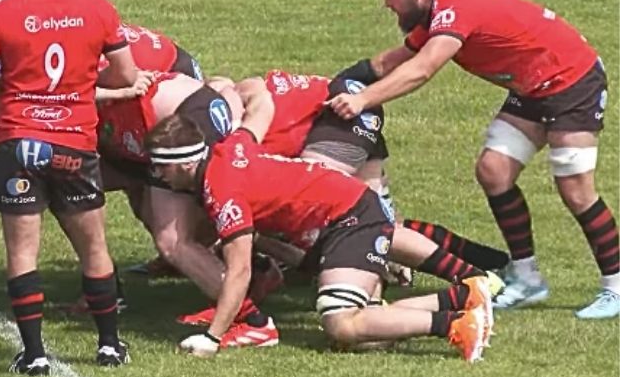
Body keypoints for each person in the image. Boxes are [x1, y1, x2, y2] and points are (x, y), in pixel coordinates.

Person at [327, 0, 618, 319]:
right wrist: (334, 84)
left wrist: (363, 100)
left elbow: (421, 69)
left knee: (576, 190)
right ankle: (526, 278)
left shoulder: (455, 10)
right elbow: (391, 62)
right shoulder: (436, 13)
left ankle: (615, 285)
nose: (386, 3)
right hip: (534, 85)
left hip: (571, 83)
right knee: (494, 170)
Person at [144, 113, 499, 362]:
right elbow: (250, 125)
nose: (159, 175)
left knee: (341, 322)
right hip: (339, 211)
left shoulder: (222, 190)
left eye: (161, 166)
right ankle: (464, 294)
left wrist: (213, 338)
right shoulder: (226, 147)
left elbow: (239, 273)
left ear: (186, 164)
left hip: (345, 218)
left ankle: (459, 325)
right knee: (365, 338)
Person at [0, 0, 139, 375]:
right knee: (94, 247)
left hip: (19, 141)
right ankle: (107, 345)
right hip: (75, 142)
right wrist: (83, 80)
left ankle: (35, 353)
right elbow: (125, 74)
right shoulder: (98, 9)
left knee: (23, 253)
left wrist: (22, 83)